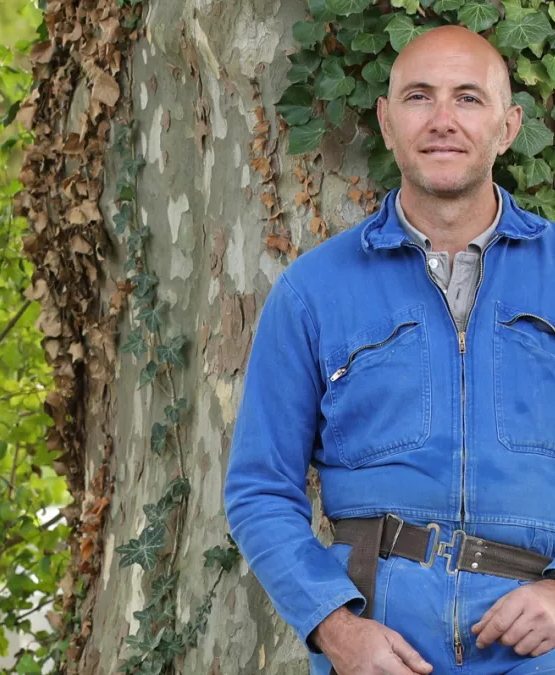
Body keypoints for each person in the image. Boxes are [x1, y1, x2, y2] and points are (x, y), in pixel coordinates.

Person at [224, 25, 555, 675]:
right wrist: (335, 629)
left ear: (509, 125)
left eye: (467, 98)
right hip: (380, 647)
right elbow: (260, 489)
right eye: (418, 97)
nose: (441, 120)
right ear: (386, 120)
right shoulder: (312, 292)